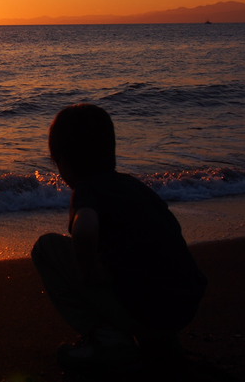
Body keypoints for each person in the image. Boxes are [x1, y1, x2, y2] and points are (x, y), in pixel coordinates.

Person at [31, 103, 207, 374]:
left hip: (147, 310)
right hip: (184, 304)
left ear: (63, 161)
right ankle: (159, 340)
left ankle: (109, 340)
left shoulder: (87, 191)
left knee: (47, 248)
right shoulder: (133, 187)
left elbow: (85, 227)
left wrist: (89, 273)